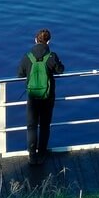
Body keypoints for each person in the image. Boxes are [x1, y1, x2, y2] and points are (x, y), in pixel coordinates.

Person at [17, 28, 65, 165]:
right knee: (44, 125)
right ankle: (42, 153)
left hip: (32, 96)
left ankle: (32, 155)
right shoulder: (51, 56)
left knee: (31, 126)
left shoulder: (27, 56)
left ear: (35, 40)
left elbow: (19, 74)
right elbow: (60, 70)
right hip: (47, 96)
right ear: (49, 41)